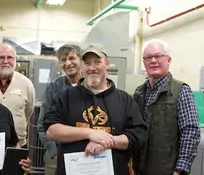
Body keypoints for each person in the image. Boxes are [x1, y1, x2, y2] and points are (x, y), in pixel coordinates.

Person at [43, 44, 147, 175]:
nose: (92, 68)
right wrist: (89, 133)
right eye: (87, 63)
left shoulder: (124, 100)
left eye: (97, 62)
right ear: (82, 66)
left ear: (107, 64)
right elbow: (51, 130)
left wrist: (107, 142)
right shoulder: (65, 98)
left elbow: (138, 136)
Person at [132, 39, 200, 175]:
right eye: (148, 57)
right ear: (144, 62)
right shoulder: (139, 92)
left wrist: (180, 170)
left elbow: (190, 132)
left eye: (158, 56)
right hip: (140, 169)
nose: (153, 61)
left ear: (168, 60)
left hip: (167, 171)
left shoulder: (181, 90)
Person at [36, 44, 82, 175]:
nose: (68, 63)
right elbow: (42, 125)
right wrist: (54, 152)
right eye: (63, 60)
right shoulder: (53, 89)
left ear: (80, 60)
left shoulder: (89, 86)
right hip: (56, 156)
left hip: (85, 154)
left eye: (72, 58)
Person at [0, 43, 36, 148]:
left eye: (10, 57)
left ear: (15, 60)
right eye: (1, 57)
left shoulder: (26, 84)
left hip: (18, 145)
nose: (6, 61)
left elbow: (29, 112)